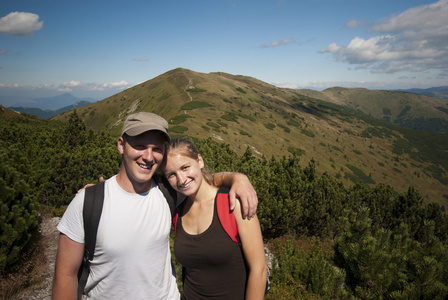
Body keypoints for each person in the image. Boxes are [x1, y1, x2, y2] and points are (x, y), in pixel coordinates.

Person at [52, 112, 258, 300]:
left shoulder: (168, 192)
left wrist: (238, 178)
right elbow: (65, 275)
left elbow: (197, 180)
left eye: (156, 149)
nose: (148, 157)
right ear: (121, 145)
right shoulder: (88, 202)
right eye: (140, 146)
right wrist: (91, 193)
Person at [163, 137, 267, 299]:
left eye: (185, 167)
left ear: (200, 160)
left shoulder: (233, 204)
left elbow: (259, 270)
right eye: (171, 175)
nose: (181, 180)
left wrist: (238, 177)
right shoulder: (178, 212)